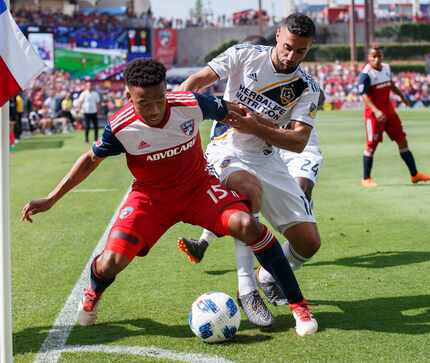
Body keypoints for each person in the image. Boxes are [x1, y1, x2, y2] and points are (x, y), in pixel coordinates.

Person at [21, 59, 318, 337]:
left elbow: (233, 111)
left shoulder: (190, 104)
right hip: (151, 200)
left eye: (158, 100)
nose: (152, 110)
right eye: (143, 103)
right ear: (128, 95)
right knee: (110, 262)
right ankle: (94, 292)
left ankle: (298, 306)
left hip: (198, 189)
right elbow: (89, 160)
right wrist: (51, 198)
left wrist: (263, 126)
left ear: (166, 90)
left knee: (246, 224)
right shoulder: (120, 127)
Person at [176, 13, 322, 326]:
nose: (290, 56)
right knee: (247, 191)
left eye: (300, 51)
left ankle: (267, 274)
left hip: (268, 158)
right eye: (287, 47)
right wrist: (177, 116)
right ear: (278, 35)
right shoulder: (244, 55)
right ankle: (247, 289)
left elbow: (297, 141)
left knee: (308, 242)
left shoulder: (307, 87)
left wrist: (255, 126)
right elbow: (195, 82)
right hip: (226, 148)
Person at [359, 45, 430, 188]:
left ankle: (415, 175)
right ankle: (366, 178)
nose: (377, 59)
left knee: (402, 141)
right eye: (374, 56)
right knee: (371, 146)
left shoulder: (386, 68)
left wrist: (402, 97)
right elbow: (364, 95)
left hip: (390, 113)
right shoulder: (366, 74)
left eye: (379, 56)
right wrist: (376, 111)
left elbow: (390, 84)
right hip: (374, 116)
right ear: (369, 58)